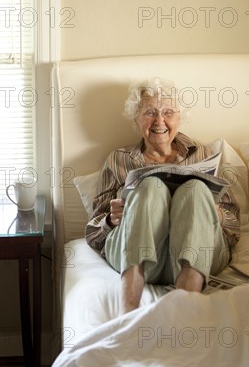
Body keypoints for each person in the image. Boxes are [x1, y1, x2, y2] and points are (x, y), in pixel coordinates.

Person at [85, 78, 240, 313]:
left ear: (179, 117)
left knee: (196, 190)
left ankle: (182, 311)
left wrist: (215, 213)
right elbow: (93, 232)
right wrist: (111, 219)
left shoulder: (203, 156)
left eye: (168, 112)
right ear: (136, 119)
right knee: (150, 187)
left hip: (198, 255)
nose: (160, 121)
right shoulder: (118, 159)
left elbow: (234, 226)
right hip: (141, 257)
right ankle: (128, 315)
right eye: (150, 112)